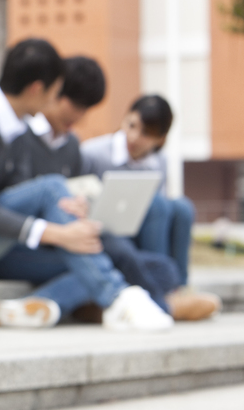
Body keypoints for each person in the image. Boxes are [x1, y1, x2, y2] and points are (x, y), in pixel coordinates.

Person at [0, 38, 172, 331]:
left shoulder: (15, 127)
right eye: (56, 91)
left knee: (96, 258)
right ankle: (116, 299)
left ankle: (37, 304)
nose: (56, 101)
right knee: (51, 188)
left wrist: (69, 208)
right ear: (37, 88)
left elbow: (21, 195)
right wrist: (59, 233)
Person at [7, 57, 219, 322]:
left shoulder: (70, 144)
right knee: (117, 254)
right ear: (50, 93)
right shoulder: (22, 139)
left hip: (82, 236)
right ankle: (163, 306)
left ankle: (77, 305)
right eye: (75, 105)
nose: (78, 117)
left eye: (86, 109)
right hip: (48, 239)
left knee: (162, 266)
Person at [81, 95, 196, 287]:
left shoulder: (159, 162)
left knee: (183, 208)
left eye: (146, 133)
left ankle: (180, 285)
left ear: (160, 139)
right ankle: (156, 284)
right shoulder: (94, 153)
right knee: (157, 204)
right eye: (131, 125)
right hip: (107, 231)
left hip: (145, 227)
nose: (134, 137)